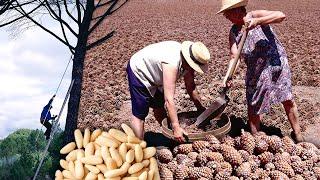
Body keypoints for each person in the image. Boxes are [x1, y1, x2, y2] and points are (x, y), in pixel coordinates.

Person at [217, 0, 303, 142]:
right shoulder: (233, 32)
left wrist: (258, 21)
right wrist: (228, 76)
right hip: (255, 71)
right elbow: (234, 56)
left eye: (227, 14)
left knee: (287, 98)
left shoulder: (255, 15)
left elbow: (281, 15)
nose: (227, 17)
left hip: (275, 65)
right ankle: (256, 140)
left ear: (237, 10)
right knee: (253, 105)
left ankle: (298, 134)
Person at [127, 41, 210, 143]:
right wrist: (176, 126)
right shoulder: (172, 63)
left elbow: (190, 87)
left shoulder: (189, 61)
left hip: (157, 74)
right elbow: (169, 100)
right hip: (140, 71)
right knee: (140, 115)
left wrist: (201, 109)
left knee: (159, 106)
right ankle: (138, 148)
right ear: (189, 61)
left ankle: (169, 136)